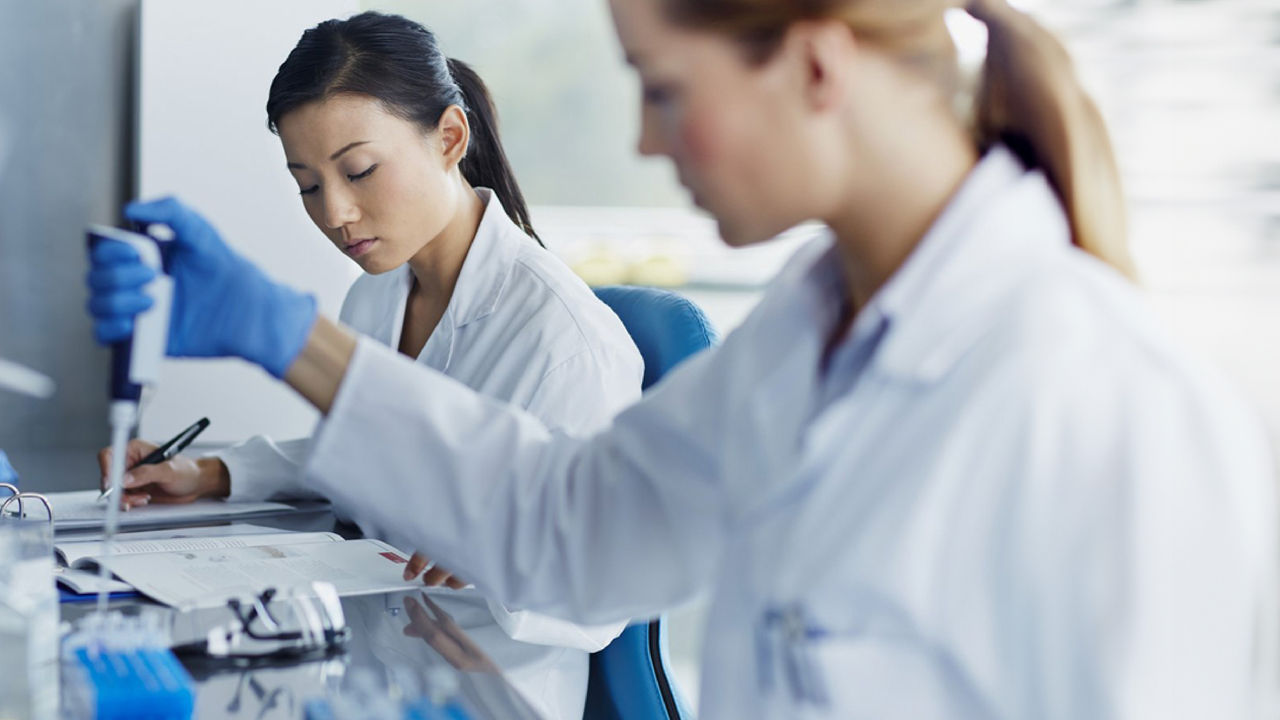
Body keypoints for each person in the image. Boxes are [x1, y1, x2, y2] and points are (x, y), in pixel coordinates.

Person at [87, 0, 1279, 717]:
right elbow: (567, 526)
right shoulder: (799, 347)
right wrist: (291, 339)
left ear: (814, 66)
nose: (642, 138)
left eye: (663, 88)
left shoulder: (1107, 402)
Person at [92, 12, 643, 720]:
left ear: (449, 137)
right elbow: (372, 442)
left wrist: (498, 549)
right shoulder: (377, 291)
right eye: (308, 184)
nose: (336, 212)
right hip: (372, 667)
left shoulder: (564, 339)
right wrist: (213, 473)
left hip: (486, 693)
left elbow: (598, 598)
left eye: (359, 170)